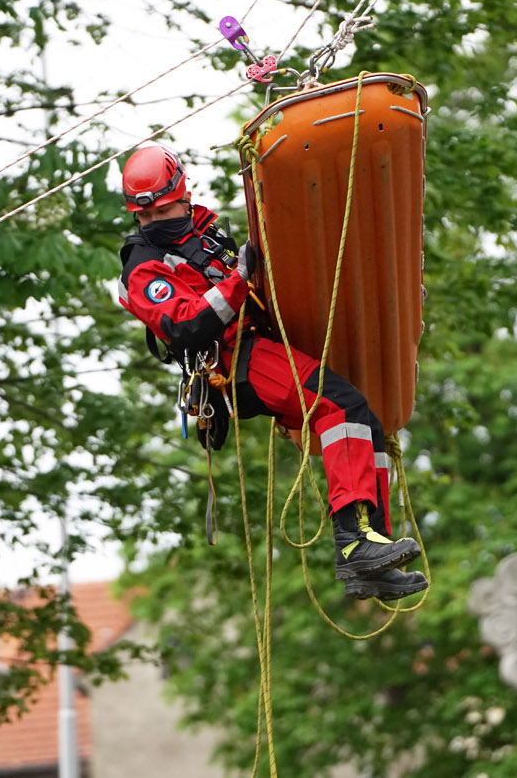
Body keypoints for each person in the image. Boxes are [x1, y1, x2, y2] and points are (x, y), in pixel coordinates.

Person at [117, 145, 428, 601]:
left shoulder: (204, 233)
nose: (155, 222)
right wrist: (239, 277)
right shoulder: (143, 266)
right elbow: (186, 325)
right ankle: (353, 544)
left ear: (184, 197)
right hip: (233, 360)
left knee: (367, 422)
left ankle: (373, 552)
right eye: (146, 216)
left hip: (260, 341)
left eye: (163, 211)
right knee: (340, 407)